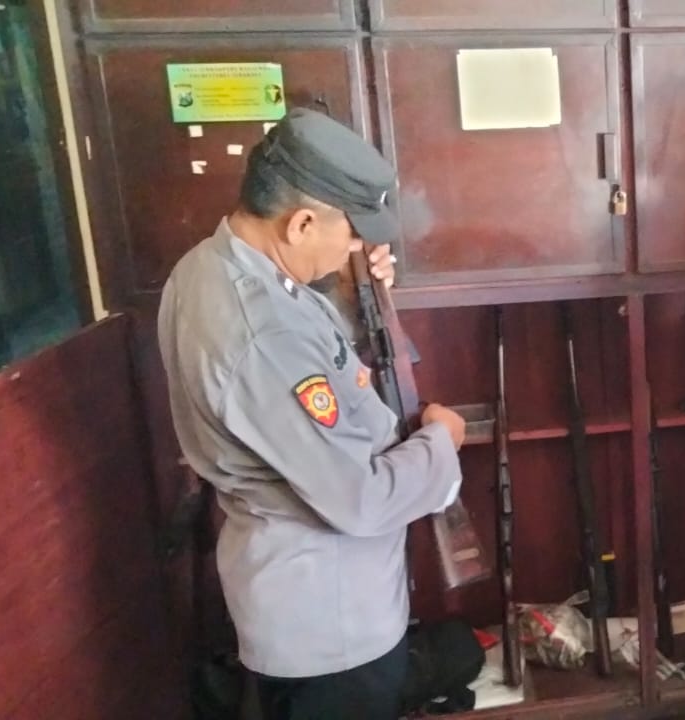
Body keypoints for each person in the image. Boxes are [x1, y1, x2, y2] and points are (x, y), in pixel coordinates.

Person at [157, 108, 468, 720]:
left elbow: (312, 355)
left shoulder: (212, 268)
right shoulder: (261, 333)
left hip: (303, 602)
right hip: (331, 626)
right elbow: (362, 499)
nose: (357, 247)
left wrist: (352, 292)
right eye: (351, 233)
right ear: (300, 223)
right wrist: (441, 441)